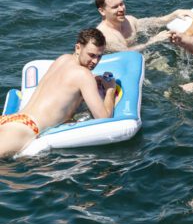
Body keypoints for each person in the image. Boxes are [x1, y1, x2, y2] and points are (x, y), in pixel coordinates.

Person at [0, 29, 116, 158]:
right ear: (78, 48)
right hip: (22, 131)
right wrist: (110, 89)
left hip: (12, 120)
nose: (95, 61)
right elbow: (104, 118)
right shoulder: (84, 75)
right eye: (91, 55)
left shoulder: (63, 59)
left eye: (99, 56)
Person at [95, 0, 190, 52]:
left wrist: (174, 14)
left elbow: (153, 23)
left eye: (122, 4)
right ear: (102, 11)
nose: (121, 9)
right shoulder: (105, 36)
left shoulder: (129, 20)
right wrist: (153, 41)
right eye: (115, 7)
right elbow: (127, 53)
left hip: (142, 54)